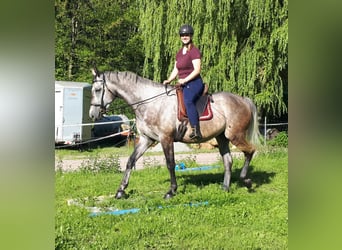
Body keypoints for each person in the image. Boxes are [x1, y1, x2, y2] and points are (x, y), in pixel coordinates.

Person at [163, 24, 204, 140]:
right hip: (183, 83)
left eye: (187, 35)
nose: (184, 37)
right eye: (182, 35)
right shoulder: (180, 53)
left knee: (188, 101)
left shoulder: (194, 51)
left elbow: (197, 70)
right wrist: (169, 79)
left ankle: (196, 130)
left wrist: (185, 80)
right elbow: (176, 68)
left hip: (194, 82)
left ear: (191, 36)